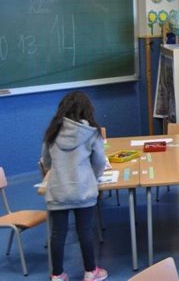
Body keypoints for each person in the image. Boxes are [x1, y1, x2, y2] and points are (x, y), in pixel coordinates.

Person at [40, 91, 108, 281]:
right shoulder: (92, 132)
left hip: (58, 191)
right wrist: (92, 177)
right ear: (87, 110)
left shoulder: (52, 132)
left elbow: (46, 162)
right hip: (83, 190)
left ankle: (57, 274)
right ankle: (90, 272)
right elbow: (100, 162)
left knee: (57, 234)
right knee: (85, 231)